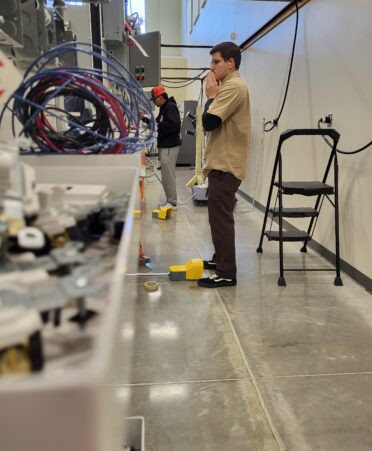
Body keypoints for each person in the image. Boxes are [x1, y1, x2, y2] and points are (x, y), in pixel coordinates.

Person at [198, 42, 251, 288]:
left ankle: (226, 273)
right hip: (221, 163)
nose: (212, 67)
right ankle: (220, 259)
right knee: (216, 217)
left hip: (226, 165)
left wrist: (211, 97)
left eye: (216, 62)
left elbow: (209, 122)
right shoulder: (229, 86)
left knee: (221, 219)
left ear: (230, 63)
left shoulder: (233, 87)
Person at [151, 85, 182, 209]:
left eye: (154, 99)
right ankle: (170, 199)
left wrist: (160, 126)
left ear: (160, 97)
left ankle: (173, 202)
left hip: (170, 145)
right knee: (165, 174)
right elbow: (157, 123)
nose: (153, 102)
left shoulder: (170, 107)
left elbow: (174, 126)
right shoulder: (164, 108)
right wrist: (144, 119)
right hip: (165, 145)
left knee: (168, 174)